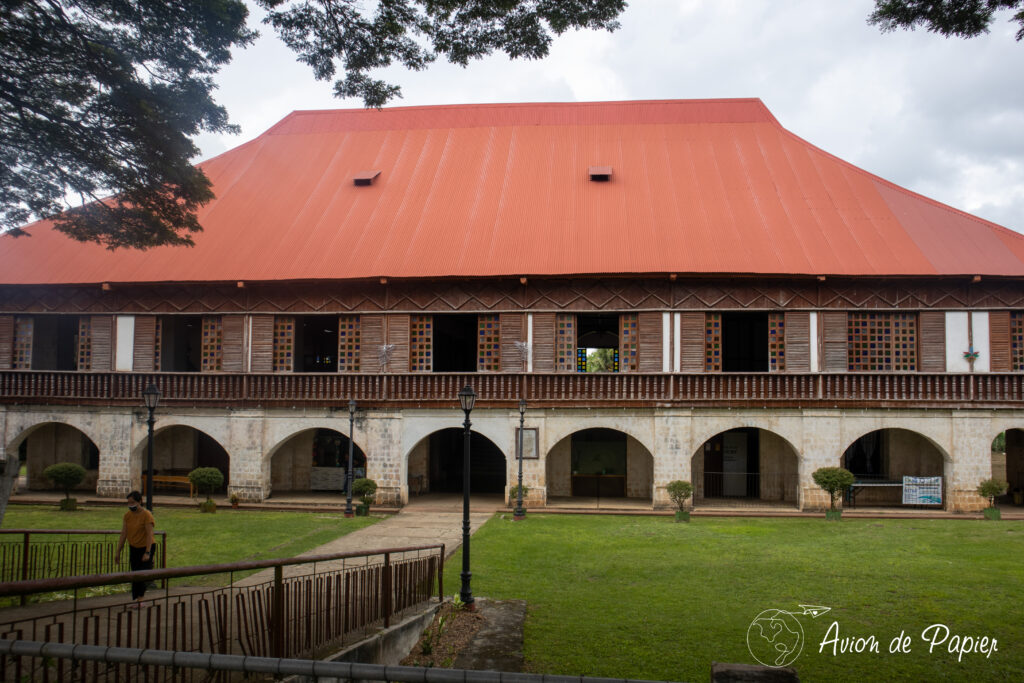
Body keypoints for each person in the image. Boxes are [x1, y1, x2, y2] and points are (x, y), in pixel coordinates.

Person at [114, 490, 156, 606]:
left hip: (146, 546)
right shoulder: (127, 516)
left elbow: (149, 534)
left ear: (140, 502)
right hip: (134, 546)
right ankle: (137, 597)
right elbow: (124, 534)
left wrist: (147, 552)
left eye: (133, 502)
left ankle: (140, 599)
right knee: (135, 573)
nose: (130, 505)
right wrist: (118, 551)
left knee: (141, 574)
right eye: (129, 503)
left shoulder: (146, 515)